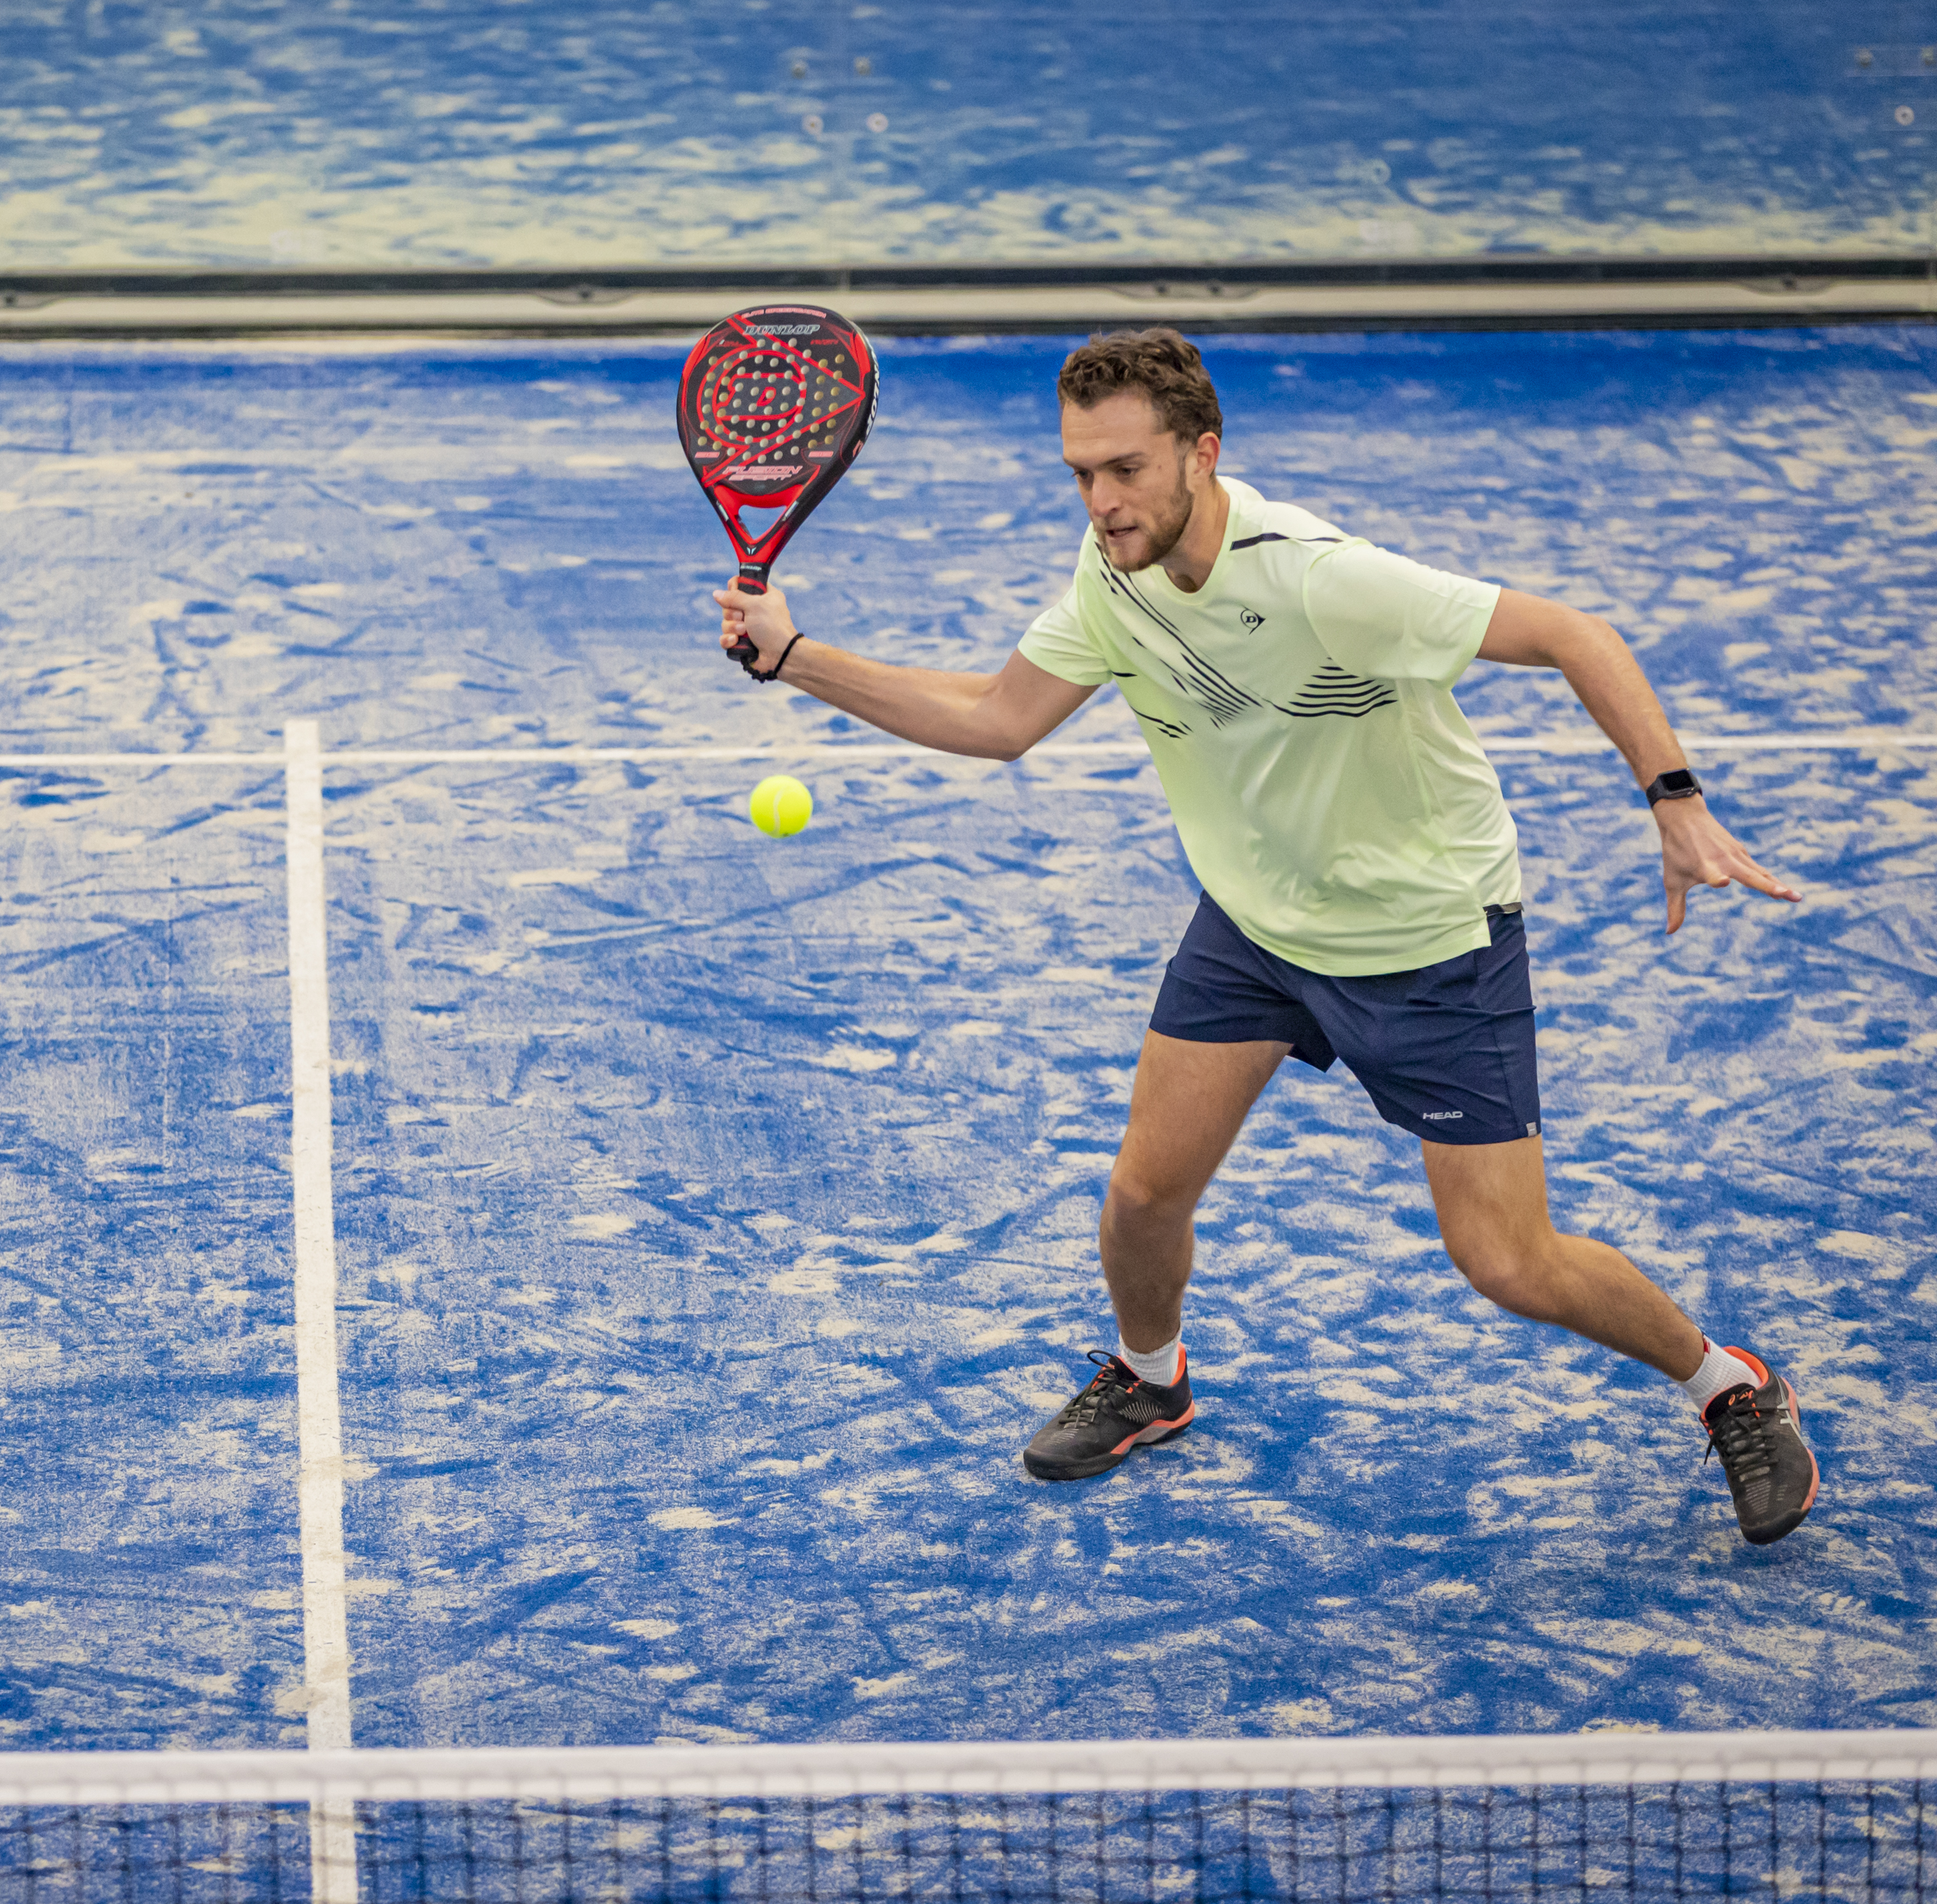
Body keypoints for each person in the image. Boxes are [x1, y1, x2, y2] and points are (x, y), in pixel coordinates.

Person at [710, 327, 1819, 1546]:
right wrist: (797, 659)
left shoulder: (1318, 576)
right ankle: (1152, 1375)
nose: (1101, 499)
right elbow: (996, 715)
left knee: (1510, 1261)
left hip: (1423, 936)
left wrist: (1677, 801)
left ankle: (1731, 1383)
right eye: (1081, 472)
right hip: (1254, 921)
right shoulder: (1110, 575)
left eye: (1126, 469)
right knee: (1142, 1195)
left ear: (1204, 452)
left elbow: (1572, 634)